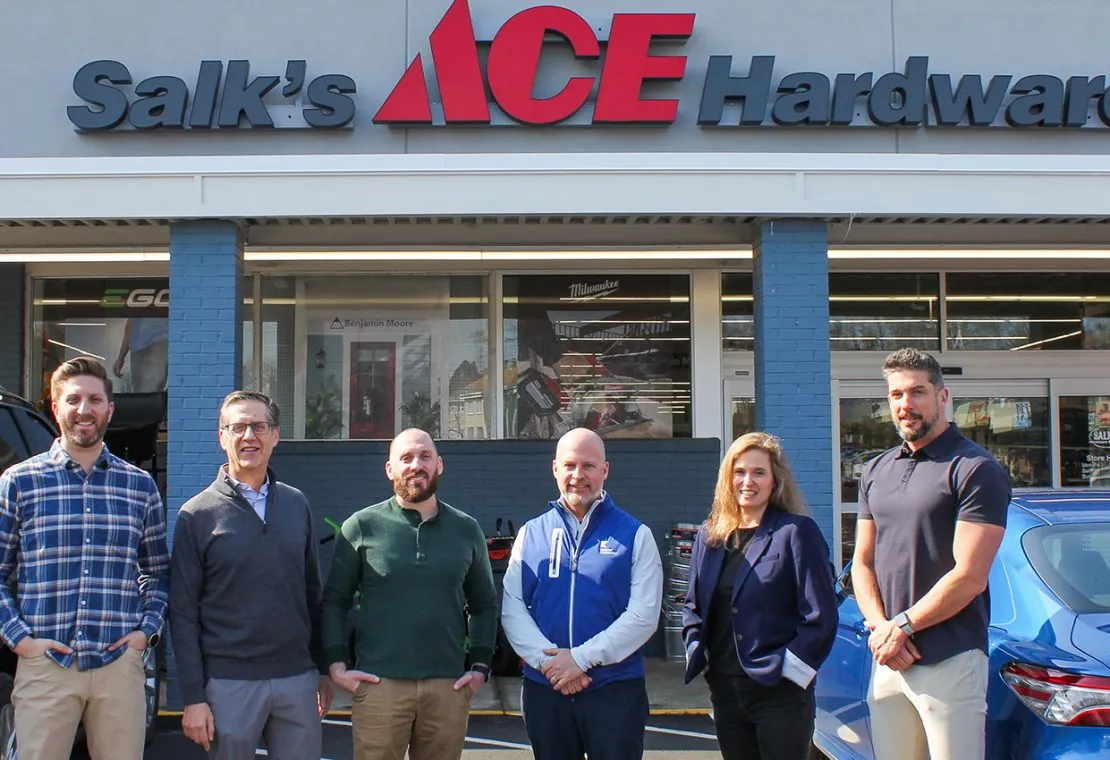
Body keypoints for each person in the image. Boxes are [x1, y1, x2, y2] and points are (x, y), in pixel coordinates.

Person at [0, 356, 169, 760]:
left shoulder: (138, 486)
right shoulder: (19, 482)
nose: (84, 410)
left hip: (117, 666)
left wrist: (145, 633)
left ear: (109, 409)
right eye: (73, 400)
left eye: (95, 400)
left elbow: (158, 572)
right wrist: (21, 641)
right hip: (45, 665)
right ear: (55, 408)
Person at [852, 348, 1010, 760]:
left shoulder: (974, 469)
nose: (906, 405)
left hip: (950, 659)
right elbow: (862, 563)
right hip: (889, 660)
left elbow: (969, 576)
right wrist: (881, 629)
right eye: (897, 395)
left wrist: (901, 627)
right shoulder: (875, 470)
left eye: (918, 392)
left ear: (943, 397)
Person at [170, 390, 332, 760]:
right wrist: (193, 697)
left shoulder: (296, 503)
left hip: (296, 679)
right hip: (229, 684)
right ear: (221, 436)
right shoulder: (196, 515)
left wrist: (321, 667)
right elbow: (182, 613)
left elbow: (312, 592)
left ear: (275, 435)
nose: (249, 437)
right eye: (238, 427)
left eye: (258, 426)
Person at [322, 428, 497, 760]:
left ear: (439, 465)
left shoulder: (466, 529)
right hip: (378, 685)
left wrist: (480, 665)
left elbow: (484, 603)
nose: (416, 465)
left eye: (425, 456)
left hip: (448, 686)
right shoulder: (361, 526)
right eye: (406, 458)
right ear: (390, 469)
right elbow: (335, 602)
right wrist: (336, 665)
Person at [501, 427, 664, 760]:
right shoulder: (531, 533)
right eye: (570, 465)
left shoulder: (636, 535)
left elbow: (643, 616)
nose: (579, 475)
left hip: (614, 690)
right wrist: (553, 667)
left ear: (605, 470)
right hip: (546, 691)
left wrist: (579, 659)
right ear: (555, 469)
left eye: (589, 466)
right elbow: (513, 608)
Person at [682, 432, 838, 760]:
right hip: (725, 690)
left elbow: (820, 617)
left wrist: (790, 672)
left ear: (774, 480)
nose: (747, 481)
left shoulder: (796, 533)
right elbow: (693, 606)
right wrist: (698, 648)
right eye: (739, 472)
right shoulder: (710, 536)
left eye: (758, 473)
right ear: (728, 478)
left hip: (778, 694)